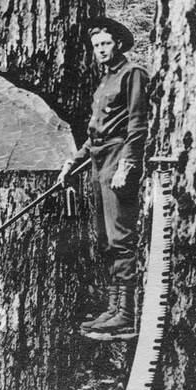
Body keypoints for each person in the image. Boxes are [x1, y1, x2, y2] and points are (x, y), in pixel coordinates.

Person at [58, 17, 148, 336]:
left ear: (119, 44)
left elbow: (138, 126)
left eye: (106, 44)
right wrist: (74, 161)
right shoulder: (104, 81)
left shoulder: (132, 74)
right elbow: (94, 133)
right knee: (107, 240)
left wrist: (127, 166)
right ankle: (113, 309)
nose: (101, 50)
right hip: (98, 160)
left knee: (121, 238)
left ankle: (127, 313)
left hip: (118, 160)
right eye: (96, 46)